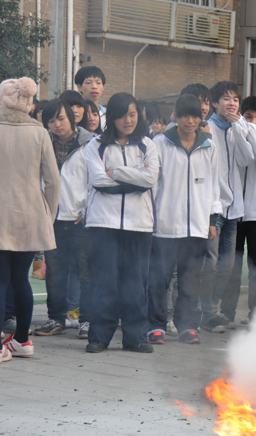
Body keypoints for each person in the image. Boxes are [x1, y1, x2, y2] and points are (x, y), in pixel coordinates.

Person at [83, 92, 159, 354]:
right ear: (111, 117)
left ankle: (135, 337)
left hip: (139, 224)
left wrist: (115, 172)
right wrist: (134, 180)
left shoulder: (148, 145)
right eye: (122, 115)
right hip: (103, 223)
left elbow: (150, 179)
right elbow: (98, 182)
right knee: (105, 281)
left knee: (135, 281)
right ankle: (99, 337)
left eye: (133, 114)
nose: (128, 120)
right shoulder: (96, 146)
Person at [147, 94, 221, 346]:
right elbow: (152, 184)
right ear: (176, 116)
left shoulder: (209, 146)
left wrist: (212, 219)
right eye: (185, 115)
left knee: (191, 280)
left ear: (202, 118)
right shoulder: (159, 143)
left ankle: (187, 326)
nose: (190, 121)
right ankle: (155, 325)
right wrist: (151, 219)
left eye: (195, 116)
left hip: (197, 226)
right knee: (159, 279)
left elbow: (214, 186)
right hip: (165, 225)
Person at [0, 78, 60, 361]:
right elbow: (53, 181)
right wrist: (48, 214)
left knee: (0, 281)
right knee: (20, 279)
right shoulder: (40, 134)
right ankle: (22, 341)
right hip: (30, 213)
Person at [200, 81, 256, 332]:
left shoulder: (237, 128)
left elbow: (246, 159)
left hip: (233, 209)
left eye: (236, 99)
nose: (232, 103)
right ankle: (207, 312)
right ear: (215, 103)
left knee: (227, 268)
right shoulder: (207, 129)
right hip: (213, 209)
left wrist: (240, 128)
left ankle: (211, 309)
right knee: (211, 265)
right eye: (226, 99)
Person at [32, 99, 94, 340]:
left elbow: (95, 181)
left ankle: (86, 320)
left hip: (80, 221)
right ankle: (55, 319)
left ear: (71, 118)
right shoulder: (42, 143)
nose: (56, 124)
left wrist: (86, 211)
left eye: (61, 118)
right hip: (53, 220)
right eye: (51, 120)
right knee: (55, 272)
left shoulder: (89, 144)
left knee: (85, 272)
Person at [220, 95, 256, 324]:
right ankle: (226, 313)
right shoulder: (230, 137)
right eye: (248, 117)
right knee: (231, 265)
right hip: (233, 212)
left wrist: (252, 133)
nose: (253, 121)